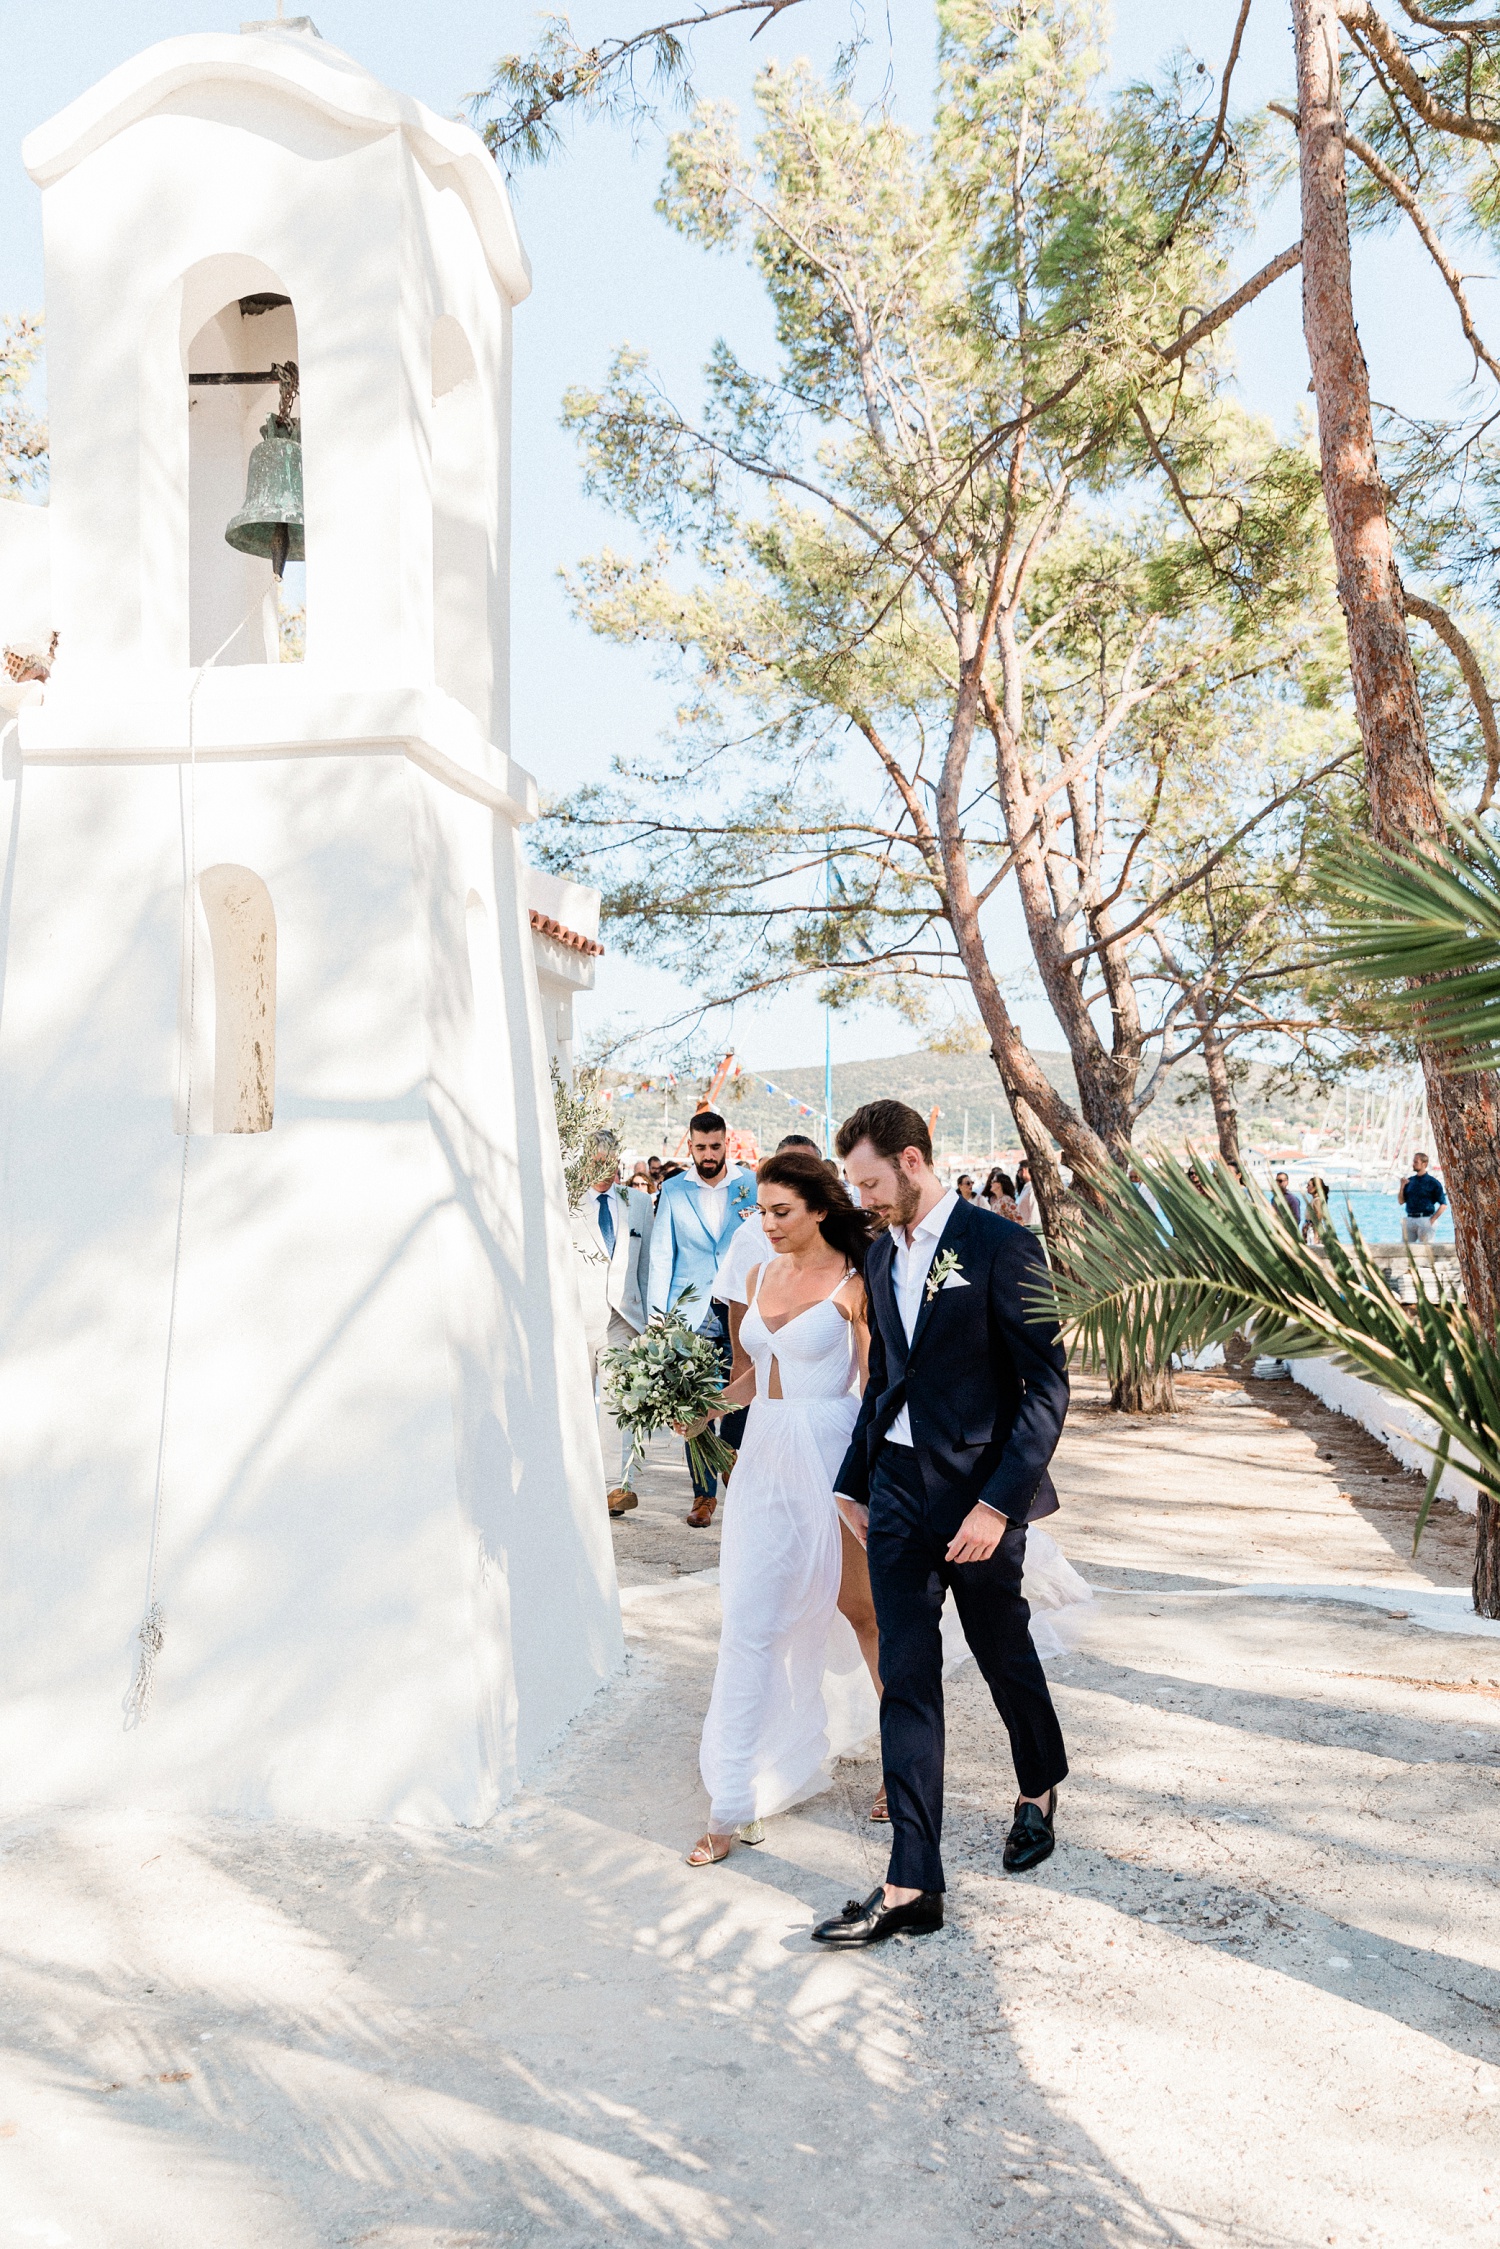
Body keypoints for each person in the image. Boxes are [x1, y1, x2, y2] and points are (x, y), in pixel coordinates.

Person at [815, 1099, 1070, 1947]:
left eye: (871, 1181)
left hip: (979, 1499)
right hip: (894, 1494)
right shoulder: (882, 1255)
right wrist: (851, 1482)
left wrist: (997, 1506)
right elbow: (884, 1380)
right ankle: (911, 1881)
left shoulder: (1002, 1246)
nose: (863, 1199)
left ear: (915, 1161)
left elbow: (1046, 1390)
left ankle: (1037, 1786)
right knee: (908, 1676)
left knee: (1003, 1653)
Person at [684, 1151, 878, 1864]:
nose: (764, 1224)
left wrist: (865, 1482)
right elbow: (748, 1377)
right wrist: (703, 1411)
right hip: (763, 1456)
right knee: (749, 1620)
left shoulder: (858, 1284)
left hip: (832, 1454)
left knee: (864, 1613)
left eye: (779, 1211)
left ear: (820, 1208)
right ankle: (730, 1801)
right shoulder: (760, 1272)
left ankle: (902, 1763)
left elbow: (876, 1387)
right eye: (760, 1210)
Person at [648, 1111, 759, 1524]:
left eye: (715, 1147)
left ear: (726, 1143)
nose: (708, 1155)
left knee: (740, 1397)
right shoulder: (674, 1191)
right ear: (690, 1144)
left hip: (740, 1309)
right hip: (689, 1315)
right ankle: (702, 1496)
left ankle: (739, 1481)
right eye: (701, 1147)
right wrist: (659, 1323)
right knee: (693, 1405)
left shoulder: (749, 1186)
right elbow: (662, 1256)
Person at [570, 1131, 654, 1517]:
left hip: (623, 1318)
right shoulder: (566, 1202)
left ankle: (616, 1488)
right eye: (598, 1161)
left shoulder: (638, 1203)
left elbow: (646, 1262)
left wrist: (650, 1321)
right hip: (576, 1319)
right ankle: (574, 1483)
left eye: (612, 1161)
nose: (606, 1169)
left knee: (617, 1406)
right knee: (576, 1404)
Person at [1398, 1151, 1448, 1244]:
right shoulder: (1410, 1181)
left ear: (1424, 1164)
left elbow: (1443, 1204)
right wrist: (1402, 1187)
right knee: (1405, 1248)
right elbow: (1401, 1201)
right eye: (1413, 1162)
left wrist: (1432, 1220)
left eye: (1416, 1162)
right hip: (1410, 1218)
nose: (1413, 1164)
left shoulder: (1433, 1182)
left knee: (1426, 1249)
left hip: (1425, 1219)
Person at [1301, 1176, 1329, 1242]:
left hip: (1313, 1230)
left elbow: (1318, 1217)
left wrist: (1316, 1234)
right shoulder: (1314, 1200)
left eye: (1309, 1185)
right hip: (1309, 1228)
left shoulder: (1317, 1200)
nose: (1307, 1187)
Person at [1013, 1160, 1037, 1227]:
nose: (1018, 1174)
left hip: (1030, 1229)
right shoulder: (1027, 1188)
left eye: (1018, 1171)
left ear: (1024, 1170)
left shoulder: (1032, 1188)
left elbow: (1034, 1212)